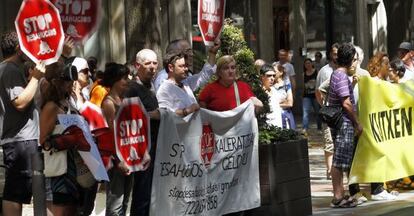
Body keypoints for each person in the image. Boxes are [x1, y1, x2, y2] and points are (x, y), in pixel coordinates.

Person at [39, 61, 92, 215]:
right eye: (67, 80)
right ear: (57, 82)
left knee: (75, 209)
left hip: (76, 165)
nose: (71, 84)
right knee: (63, 209)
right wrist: (65, 140)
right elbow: (43, 140)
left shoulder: (68, 101)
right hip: (61, 167)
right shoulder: (51, 106)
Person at [0, 31, 44, 216]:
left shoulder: (10, 69)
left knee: (19, 190)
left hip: (21, 139)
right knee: (15, 192)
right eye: (27, 45)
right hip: (20, 140)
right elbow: (19, 102)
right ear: (19, 49)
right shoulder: (9, 69)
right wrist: (35, 77)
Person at [125, 49, 160, 216]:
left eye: (154, 63)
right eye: (148, 64)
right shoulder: (132, 89)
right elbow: (127, 117)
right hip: (140, 150)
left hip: (155, 147)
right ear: (137, 66)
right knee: (141, 194)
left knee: (151, 194)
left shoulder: (153, 87)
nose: (152, 67)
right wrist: (152, 115)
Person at [328, 43, 362, 208]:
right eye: (354, 59)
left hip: (341, 123)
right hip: (344, 124)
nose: (356, 63)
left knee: (340, 161)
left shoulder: (338, 75)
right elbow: (346, 103)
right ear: (349, 60)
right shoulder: (341, 76)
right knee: (338, 161)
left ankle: (340, 194)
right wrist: (357, 122)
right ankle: (338, 197)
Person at [100, 63, 133, 216]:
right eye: (124, 78)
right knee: (115, 204)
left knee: (125, 201)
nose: (128, 81)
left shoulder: (125, 100)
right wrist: (118, 160)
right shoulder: (108, 103)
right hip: (115, 161)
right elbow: (112, 134)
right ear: (115, 80)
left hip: (129, 157)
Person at [156, 42, 219, 115]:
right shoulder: (164, 88)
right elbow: (164, 115)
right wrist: (187, 111)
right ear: (171, 67)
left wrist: (212, 52)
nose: (186, 69)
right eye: (182, 66)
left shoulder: (185, 82)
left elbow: (205, 75)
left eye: (186, 66)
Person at [198, 55, 263, 111]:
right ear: (219, 72)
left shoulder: (244, 87)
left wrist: (256, 102)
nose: (230, 71)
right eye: (226, 68)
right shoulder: (209, 89)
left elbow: (253, 101)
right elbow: (202, 113)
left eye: (233, 68)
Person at [154, 39, 219, 92]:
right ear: (174, 55)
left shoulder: (184, 77)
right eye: (187, 51)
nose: (191, 54)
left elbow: (204, 75)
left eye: (191, 51)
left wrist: (212, 53)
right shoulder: (163, 78)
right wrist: (192, 108)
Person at [315, 43, 339, 180]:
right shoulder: (324, 71)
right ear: (330, 54)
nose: (336, 56)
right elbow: (318, 91)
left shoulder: (345, 69)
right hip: (329, 111)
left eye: (338, 53)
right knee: (329, 141)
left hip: (342, 111)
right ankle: (330, 170)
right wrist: (324, 106)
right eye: (334, 53)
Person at [302, 58, 321, 135]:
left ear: (312, 63)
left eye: (309, 63)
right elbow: (303, 85)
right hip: (307, 95)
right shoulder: (303, 74)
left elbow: (320, 83)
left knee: (318, 112)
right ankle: (305, 128)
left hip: (316, 95)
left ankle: (319, 128)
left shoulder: (317, 72)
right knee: (305, 112)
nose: (308, 65)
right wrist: (302, 95)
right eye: (306, 63)